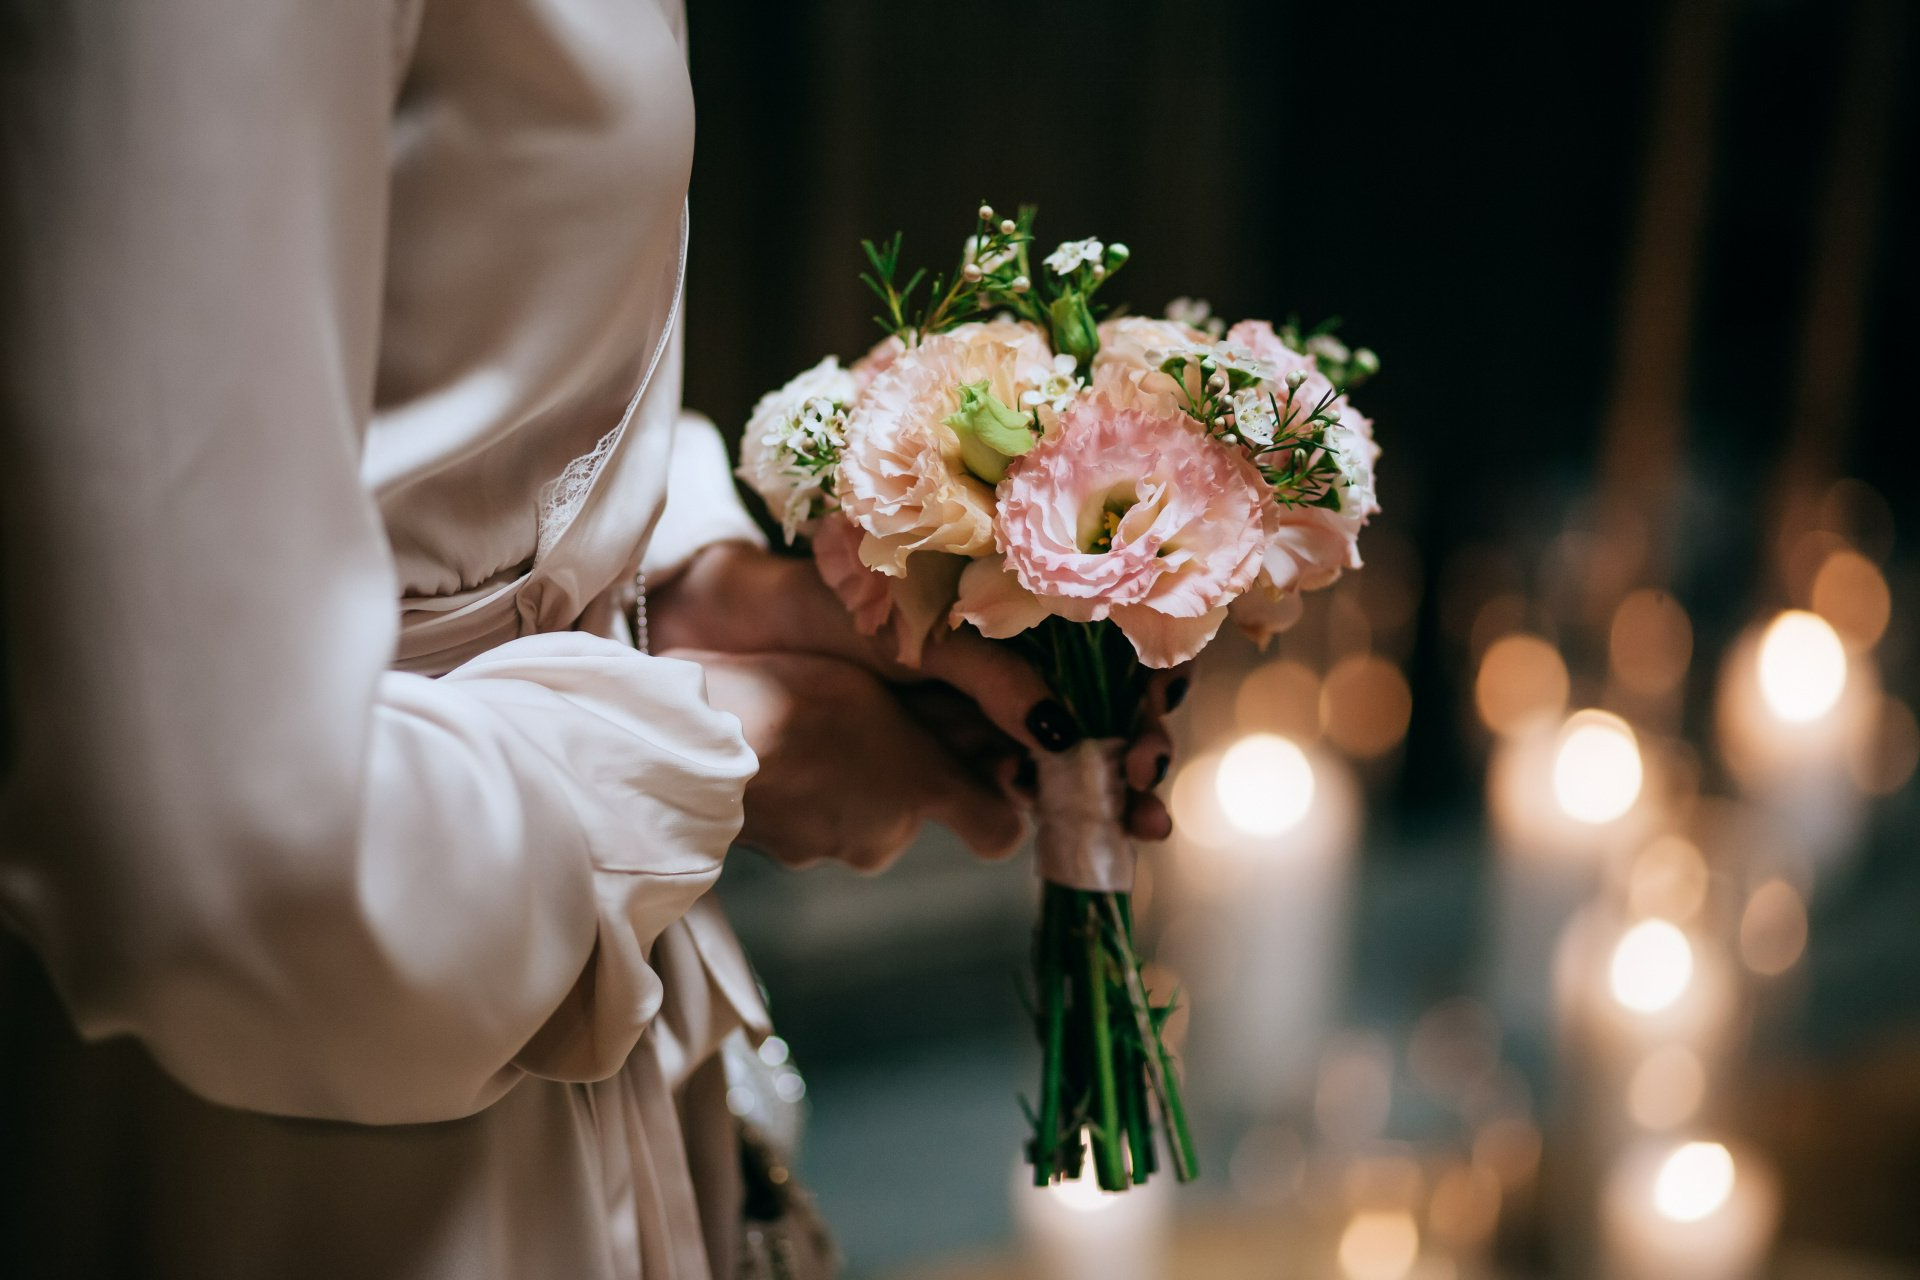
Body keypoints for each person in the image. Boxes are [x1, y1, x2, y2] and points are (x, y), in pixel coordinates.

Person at [0, 2, 1176, 1276]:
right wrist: (733, 744)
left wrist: (698, 586)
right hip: (314, 1113)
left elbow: (421, 389)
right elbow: (207, 856)